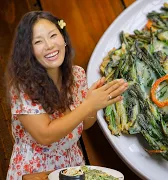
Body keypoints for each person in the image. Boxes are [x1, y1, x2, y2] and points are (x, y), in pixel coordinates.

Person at [5, 11, 128, 180]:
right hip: (35, 171)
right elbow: (45, 135)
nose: (49, 45)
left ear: (63, 39)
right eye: (38, 41)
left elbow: (84, 124)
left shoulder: (77, 74)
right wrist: (88, 105)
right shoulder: (22, 87)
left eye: (53, 35)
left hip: (72, 167)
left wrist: (97, 102)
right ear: (28, 51)